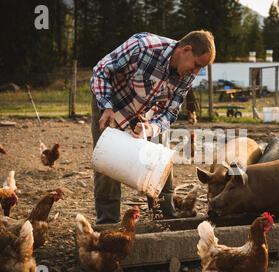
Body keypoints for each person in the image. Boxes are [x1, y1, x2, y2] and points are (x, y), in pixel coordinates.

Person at [90, 30, 215, 224]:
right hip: (112, 104)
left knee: (160, 162)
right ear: (186, 50)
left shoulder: (186, 75)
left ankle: (164, 219)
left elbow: (170, 112)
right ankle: (108, 225)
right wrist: (106, 106)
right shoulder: (143, 47)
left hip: (147, 113)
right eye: (197, 65)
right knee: (108, 161)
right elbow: (101, 71)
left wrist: (150, 129)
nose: (196, 72)